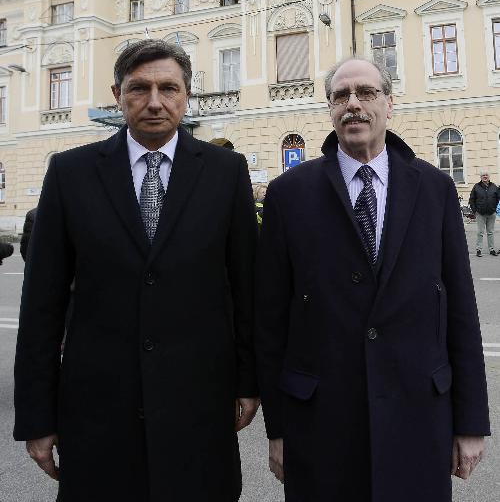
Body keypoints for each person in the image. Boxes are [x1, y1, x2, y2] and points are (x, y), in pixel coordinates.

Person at [14, 40, 259, 502]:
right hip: (97, 411)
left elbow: (246, 288)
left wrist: (248, 382)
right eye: (138, 88)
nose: (154, 102)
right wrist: (37, 416)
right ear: (117, 94)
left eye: (169, 88)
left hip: (198, 405)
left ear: (187, 95)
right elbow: (41, 305)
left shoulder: (226, 172)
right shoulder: (71, 173)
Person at [255, 57, 489, 502]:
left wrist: (471, 421)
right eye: (341, 96)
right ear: (329, 108)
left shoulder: (434, 189)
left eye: (366, 93)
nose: (353, 105)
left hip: (418, 415)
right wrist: (279, 429)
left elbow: (460, 309)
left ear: (389, 104)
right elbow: (270, 320)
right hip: (320, 423)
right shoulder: (291, 194)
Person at [469, 171, 500, 256]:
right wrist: (475, 211)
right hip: (480, 214)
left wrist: (494, 208)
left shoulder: (494, 186)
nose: (485, 176)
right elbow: (471, 200)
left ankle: (492, 249)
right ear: (481, 177)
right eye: (483, 175)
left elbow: (498, 198)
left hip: (491, 213)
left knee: (490, 232)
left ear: (489, 176)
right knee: (480, 232)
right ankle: (479, 250)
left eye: (486, 175)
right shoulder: (476, 187)